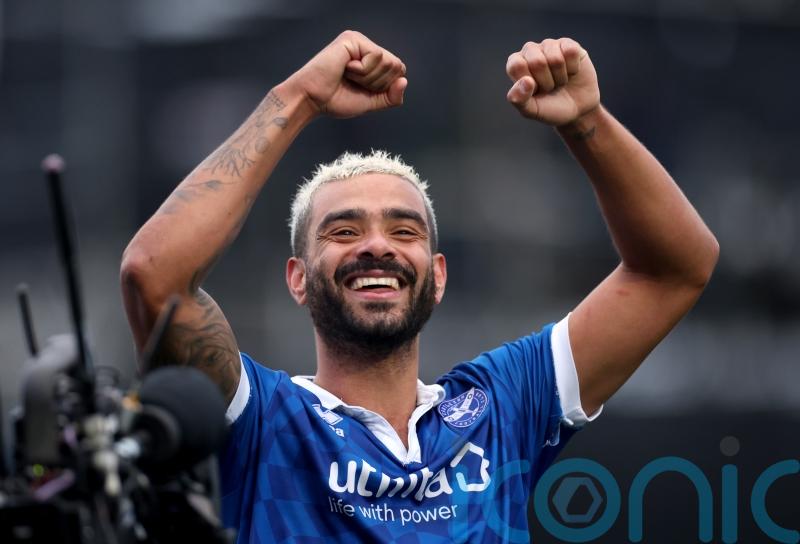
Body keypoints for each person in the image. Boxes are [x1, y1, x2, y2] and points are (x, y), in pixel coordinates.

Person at [120, 30, 719, 542]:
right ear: (298, 280)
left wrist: (589, 122)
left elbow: (675, 269)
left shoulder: (503, 408)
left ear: (436, 276)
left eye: (403, 229)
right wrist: (296, 97)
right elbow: (155, 276)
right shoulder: (264, 420)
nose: (376, 245)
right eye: (344, 229)